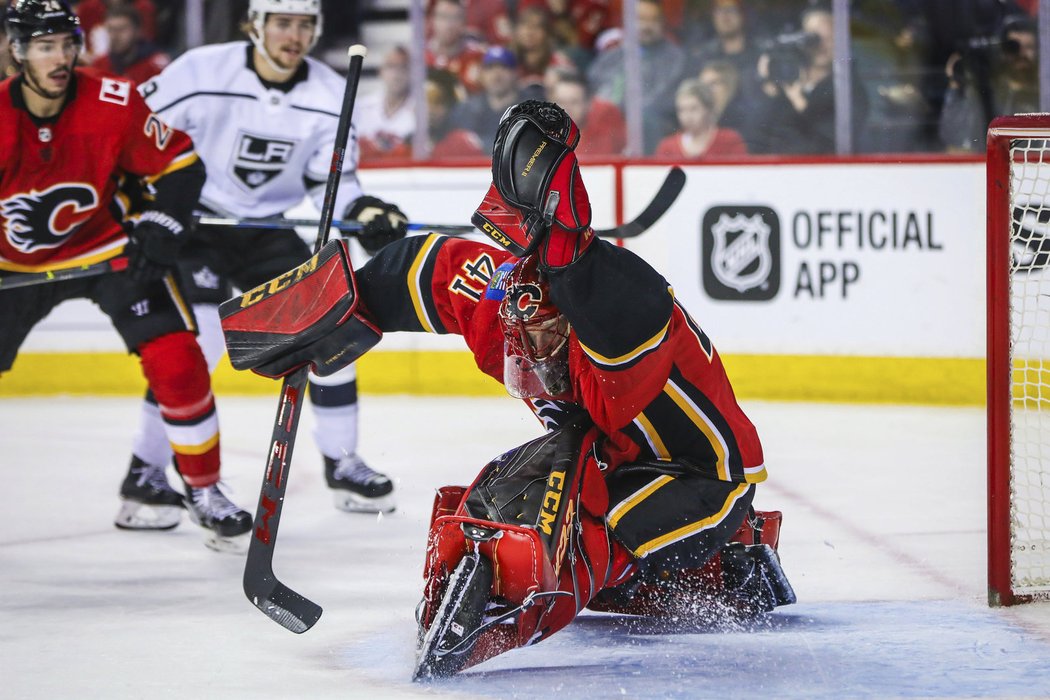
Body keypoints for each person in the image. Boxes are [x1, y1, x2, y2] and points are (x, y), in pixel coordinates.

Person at [222, 100, 795, 676]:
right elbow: (429, 266)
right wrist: (339, 304)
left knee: (598, 532)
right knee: (510, 497)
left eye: (550, 332)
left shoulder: (624, 315)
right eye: (525, 331)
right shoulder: (505, 301)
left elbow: (607, 395)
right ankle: (695, 565)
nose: (534, 348)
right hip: (608, 453)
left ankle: (716, 548)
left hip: (696, 475)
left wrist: (511, 603)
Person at [125, 0, 407, 521]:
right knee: (197, 340)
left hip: (268, 227)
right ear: (254, 25)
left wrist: (366, 210)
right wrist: (142, 207)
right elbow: (131, 130)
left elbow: (334, 184)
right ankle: (144, 472)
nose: (293, 35)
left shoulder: (327, 92)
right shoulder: (201, 71)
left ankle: (343, 461)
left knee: (335, 324)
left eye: (304, 24)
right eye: (281, 22)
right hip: (195, 224)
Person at [0, 0, 251, 550]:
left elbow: (182, 165)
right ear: (17, 52)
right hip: (12, 269)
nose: (61, 57)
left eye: (67, 44)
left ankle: (204, 491)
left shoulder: (112, 100)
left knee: (179, 359)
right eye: (45, 47)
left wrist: (161, 223)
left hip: (106, 251)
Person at [751, 5, 868, 154]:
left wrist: (800, 102)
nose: (821, 45)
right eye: (814, 38)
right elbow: (756, 138)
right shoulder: (786, 78)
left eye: (830, 39)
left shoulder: (850, 90)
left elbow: (833, 144)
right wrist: (768, 88)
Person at [586, 0, 688, 153]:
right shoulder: (613, 55)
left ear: (662, 23)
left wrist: (620, 112)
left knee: (644, 119)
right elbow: (592, 87)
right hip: (612, 122)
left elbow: (661, 101)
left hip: (654, 126)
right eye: (641, 19)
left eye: (653, 20)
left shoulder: (675, 58)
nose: (647, 26)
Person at [938, 13, 1039, 152]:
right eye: (1013, 47)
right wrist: (956, 85)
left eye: (1029, 47)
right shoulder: (988, 90)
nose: (1021, 54)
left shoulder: (1043, 91)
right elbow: (953, 139)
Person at [453, 45, 536, 150]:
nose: (496, 74)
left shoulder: (530, 110)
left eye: (504, 67)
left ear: (516, 73)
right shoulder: (466, 110)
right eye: (490, 68)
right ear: (482, 74)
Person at [654, 78, 747, 159]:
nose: (687, 116)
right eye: (682, 110)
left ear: (708, 109)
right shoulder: (667, 147)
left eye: (693, 109)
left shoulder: (730, 141)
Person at [547, 70, 626, 160]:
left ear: (587, 103)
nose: (566, 109)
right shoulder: (541, 138)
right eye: (561, 102)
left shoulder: (607, 132)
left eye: (574, 102)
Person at [356, 45, 415, 161]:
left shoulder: (423, 111)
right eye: (391, 66)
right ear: (381, 71)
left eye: (403, 67)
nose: (397, 74)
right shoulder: (361, 107)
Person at [90, 5, 168, 85]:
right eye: (111, 29)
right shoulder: (99, 65)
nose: (115, 36)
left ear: (138, 31)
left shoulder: (154, 65)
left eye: (122, 29)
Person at [425, 0, 485, 94]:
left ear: (464, 23)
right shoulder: (420, 59)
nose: (449, 25)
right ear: (433, 20)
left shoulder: (479, 58)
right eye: (443, 17)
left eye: (455, 18)